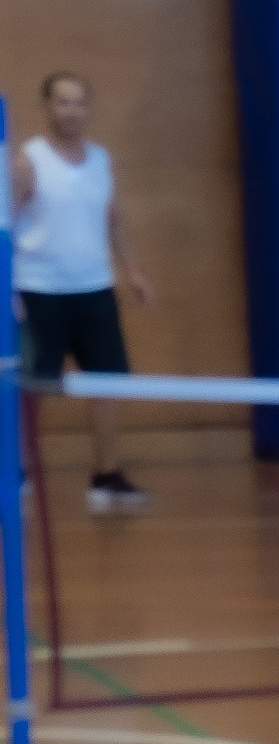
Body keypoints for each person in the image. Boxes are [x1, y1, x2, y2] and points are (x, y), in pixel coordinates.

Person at [11, 71, 154, 512]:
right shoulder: (27, 162)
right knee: (32, 388)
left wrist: (132, 271)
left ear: (88, 109)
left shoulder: (100, 160)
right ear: (47, 107)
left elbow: (112, 218)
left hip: (94, 289)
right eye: (63, 102)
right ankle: (15, 475)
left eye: (79, 103)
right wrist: (6, 290)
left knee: (106, 383)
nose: (72, 111)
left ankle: (106, 476)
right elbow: (5, 226)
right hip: (39, 291)